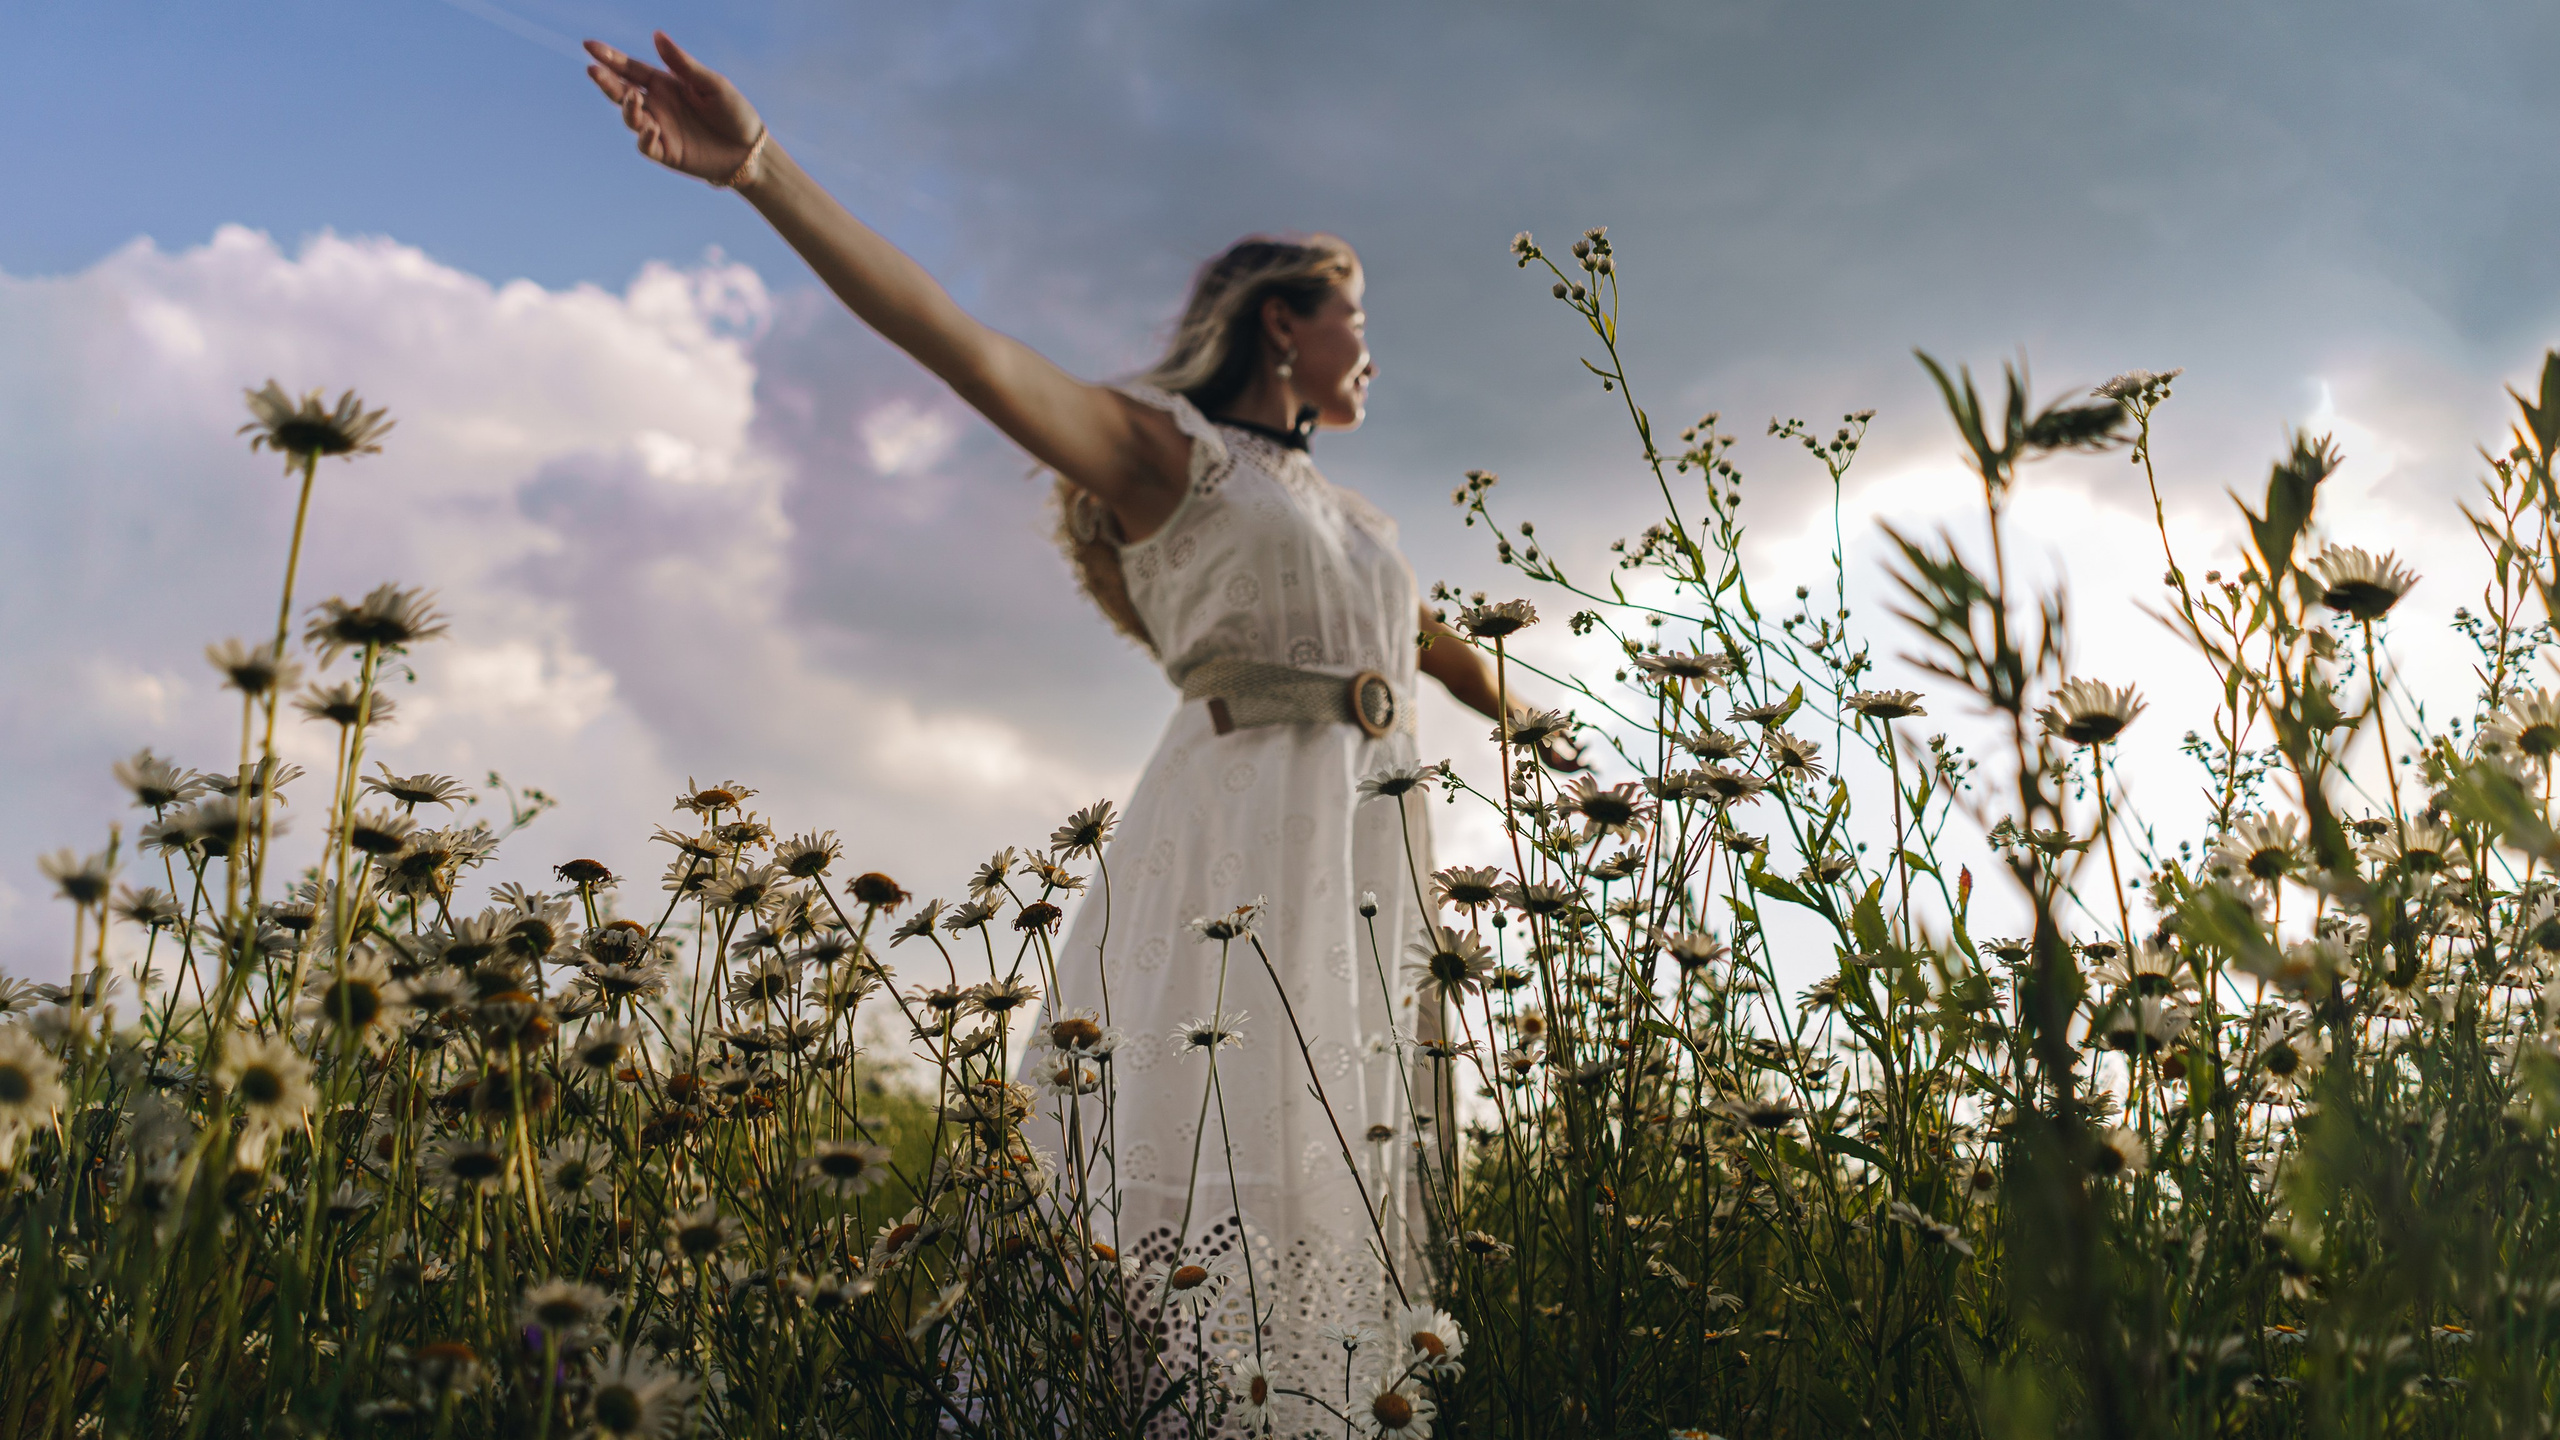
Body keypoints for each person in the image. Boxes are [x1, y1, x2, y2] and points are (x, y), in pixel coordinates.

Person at [583, 32, 1563, 1422]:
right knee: (1206, 1116)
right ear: (1285, 322)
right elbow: (964, 346)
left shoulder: (1352, 516)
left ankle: (1314, 1406)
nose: (1372, 354)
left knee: (1338, 1138)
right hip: (1237, 828)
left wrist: (1507, 704)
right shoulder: (1169, 452)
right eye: (1358, 318)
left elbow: (1402, 632)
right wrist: (761, 172)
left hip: (1367, 836)